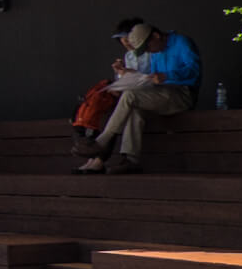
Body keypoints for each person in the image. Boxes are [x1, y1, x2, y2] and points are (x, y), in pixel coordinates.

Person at [82, 23, 199, 174]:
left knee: (130, 95)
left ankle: (102, 141)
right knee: (134, 106)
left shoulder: (181, 42)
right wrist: (132, 75)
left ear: (156, 36)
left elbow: (194, 70)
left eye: (148, 47)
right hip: (162, 93)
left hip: (183, 94)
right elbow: (152, 77)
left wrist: (168, 76)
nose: (149, 51)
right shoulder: (156, 48)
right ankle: (130, 160)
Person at [72, 18, 151, 145]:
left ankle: (99, 150)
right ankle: (94, 153)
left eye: (128, 37)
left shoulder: (152, 52)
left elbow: (152, 79)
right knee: (105, 106)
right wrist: (119, 75)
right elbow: (127, 81)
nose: (125, 41)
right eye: (122, 39)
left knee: (128, 111)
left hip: (147, 95)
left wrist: (129, 74)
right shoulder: (129, 56)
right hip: (130, 96)